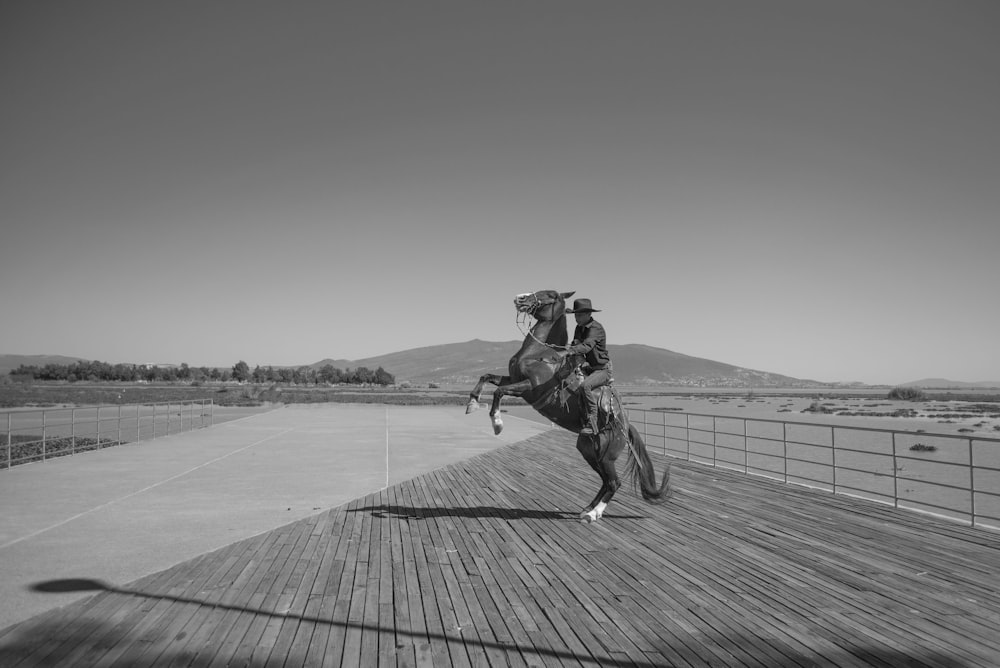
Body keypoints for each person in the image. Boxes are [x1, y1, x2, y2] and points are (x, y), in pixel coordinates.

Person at [564, 298, 612, 435]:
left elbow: (586, 346)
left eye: (579, 315)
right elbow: (575, 344)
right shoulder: (579, 328)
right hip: (590, 367)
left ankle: (593, 424)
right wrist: (568, 348)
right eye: (575, 315)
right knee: (567, 380)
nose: (576, 318)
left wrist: (568, 351)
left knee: (585, 386)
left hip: (603, 369)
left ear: (588, 314)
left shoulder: (596, 328)